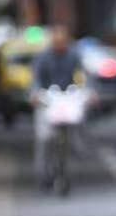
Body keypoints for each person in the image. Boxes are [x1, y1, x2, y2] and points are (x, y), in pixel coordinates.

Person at [30, 26, 84, 187]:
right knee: (45, 138)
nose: (60, 45)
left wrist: (88, 92)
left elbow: (83, 75)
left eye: (63, 42)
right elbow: (36, 79)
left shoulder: (73, 56)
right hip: (47, 99)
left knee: (77, 120)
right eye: (57, 42)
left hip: (66, 98)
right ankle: (43, 173)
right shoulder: (42, 58)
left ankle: (76, 147)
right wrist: (35, 94)